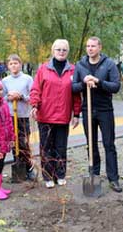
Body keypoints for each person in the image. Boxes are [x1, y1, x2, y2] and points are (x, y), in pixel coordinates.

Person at [72, 36, 122, 193]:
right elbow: (73, 88)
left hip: (105, 110)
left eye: (93, 46)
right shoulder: (80, 65)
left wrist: (98, 81)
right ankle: (94, 174)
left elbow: (115, 86)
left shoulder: (109, 64)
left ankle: (113, 179)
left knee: (109, 144)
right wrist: (84, 83)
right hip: (88, 110)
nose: (90, 49)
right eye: (88, 46)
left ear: (100, 47)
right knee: (91, 144)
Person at [30, 39, 81, 188]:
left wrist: (76, 114)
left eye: (64, 50)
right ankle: (48, 176)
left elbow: (76, 95)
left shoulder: (73, 70)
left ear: (68, 52)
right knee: (46, 147)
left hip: (63, 116)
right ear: (53, 51)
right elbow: (35, 90)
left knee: (61, 147)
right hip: (45, 115)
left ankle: (60, 174)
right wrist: (34, 105)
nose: (61, 52)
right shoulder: (43, 69)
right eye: (58, 49)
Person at [2, 54, 36, 181]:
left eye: (16, 63)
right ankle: (17, 166)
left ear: (20, 64)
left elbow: (32, 96)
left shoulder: (27, 79)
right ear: (8, 66)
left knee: (24, 143)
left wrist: (21, 96)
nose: (13, 66)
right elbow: (2, 98)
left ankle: (29, 169)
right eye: (11, 64)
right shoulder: (5, 81)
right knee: (13, 143)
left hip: (23, 116)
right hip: (10, 117)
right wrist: (9, 97)